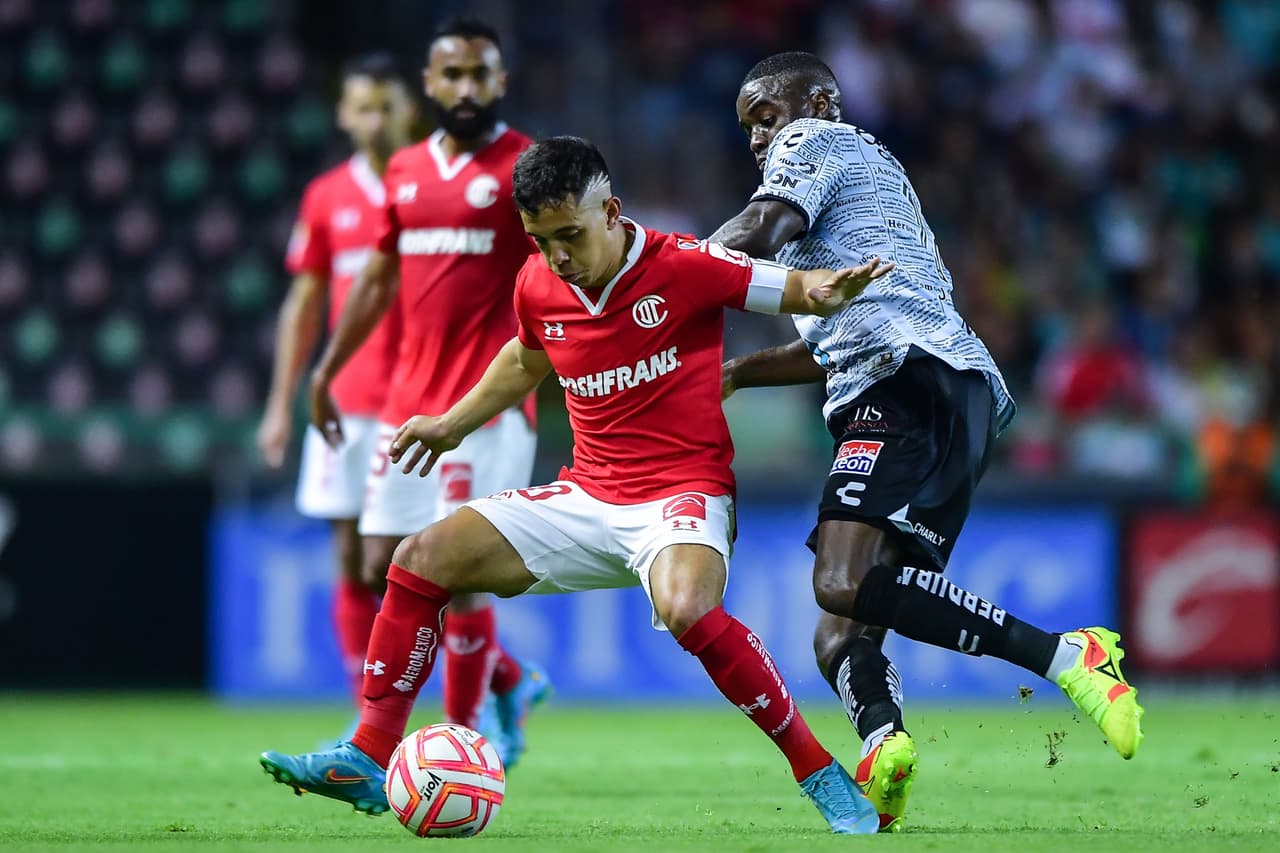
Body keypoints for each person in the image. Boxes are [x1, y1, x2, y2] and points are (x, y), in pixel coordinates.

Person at [261, 136, 896, 834]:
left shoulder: (686, 264)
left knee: (688, 606)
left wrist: (829, 288)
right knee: (419, 556)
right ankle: (368, 754)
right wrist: (450, 424)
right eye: (540, 240)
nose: (557, 256)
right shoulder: (537, 282)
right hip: (589, 494)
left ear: (612, 211)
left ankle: (816, 769)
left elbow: (793, 286)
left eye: (569, 235)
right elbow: (524, 358)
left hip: (683, 492)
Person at [711, 52, 1144, 831]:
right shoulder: (877, 185)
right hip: (956, 391)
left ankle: (1062, 656)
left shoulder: (813, 142)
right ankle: (885, 745)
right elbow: (831, 342)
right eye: (749, 129)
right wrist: (739, 372)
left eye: (764, 116)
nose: (759, 139)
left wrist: (665, 277)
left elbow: (762, 230)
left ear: (818, 101)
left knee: (838, 581)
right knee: (841, 626)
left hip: (900, 383)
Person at [305, 18, 547, 763]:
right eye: (453, 75)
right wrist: (325, 369)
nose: (467, 88)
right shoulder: (407, 170)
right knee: (383, 561)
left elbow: (565, 270)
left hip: (486, 407)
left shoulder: (526, 166)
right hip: (404, 404)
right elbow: (378, 279)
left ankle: (453, 744)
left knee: (460, 571)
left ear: (500, 81)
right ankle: (505, 683)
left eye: (481, 74)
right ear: (430, 87)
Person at [256, 52, 412, 705]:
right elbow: (304, 302)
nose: (375, 120)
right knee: (352, 556)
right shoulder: (327, 196)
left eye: (386, 105)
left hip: (423, 398)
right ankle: (365, 712)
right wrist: (278, 406)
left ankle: (496, 681)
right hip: (347, 403)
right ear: (345, 114)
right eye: (363, 107)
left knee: (419, 560)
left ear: (408, 108)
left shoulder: (429, 185)